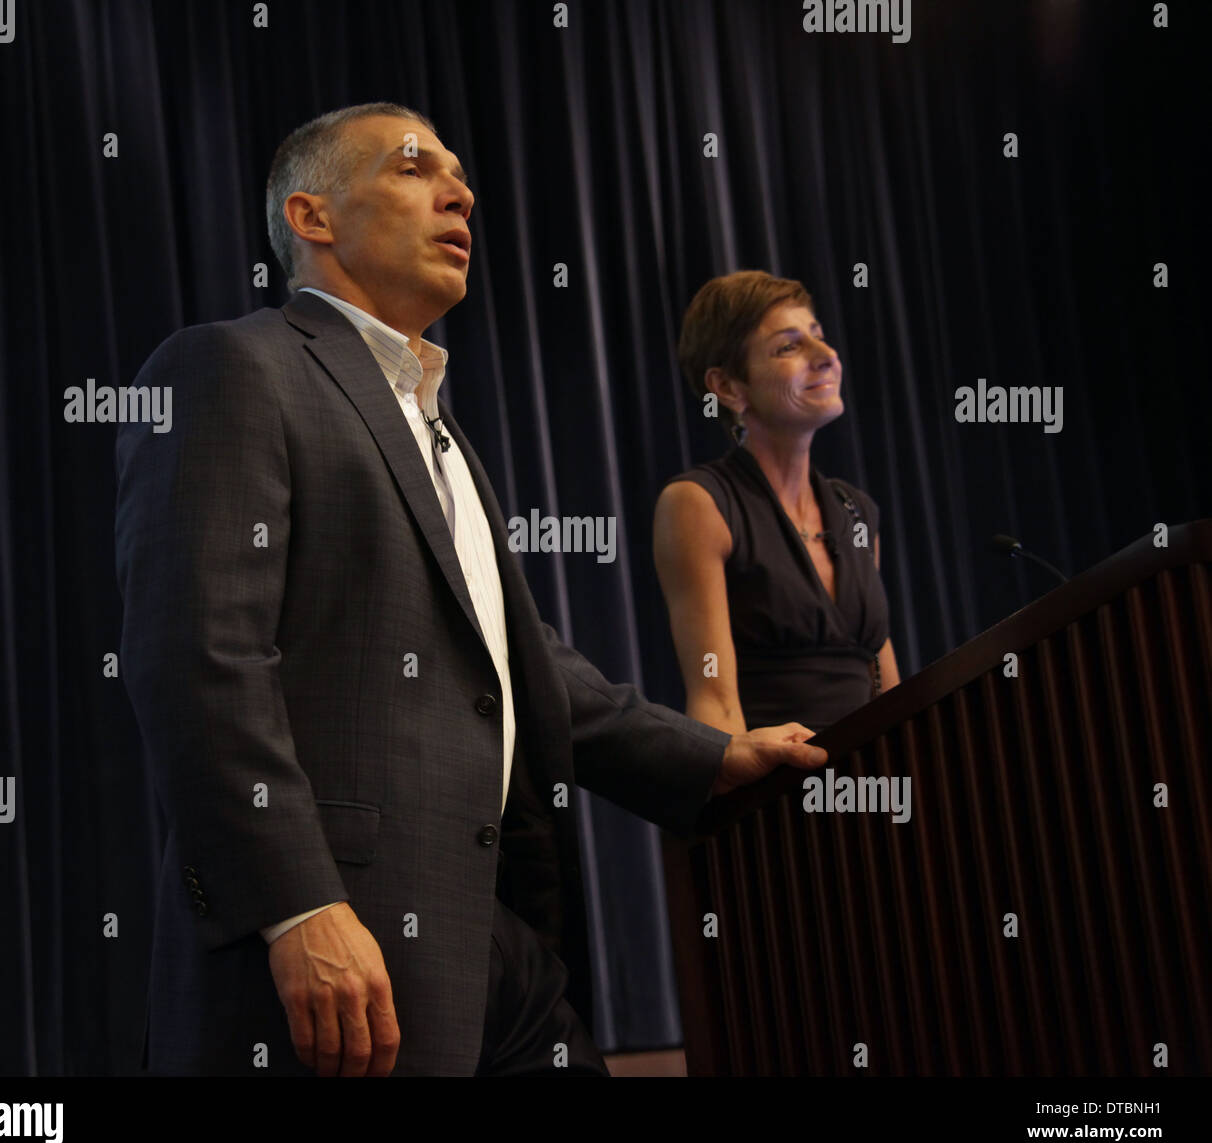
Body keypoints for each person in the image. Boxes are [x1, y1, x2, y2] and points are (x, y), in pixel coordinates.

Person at [115, 105, 828, 1077]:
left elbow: (520, 661)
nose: (460, 191)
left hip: (497, 937)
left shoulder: (439, 429)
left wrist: (707, 756)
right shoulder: (232, 367)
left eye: (458, 172)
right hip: (336, 940)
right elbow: (197, 659)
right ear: (312, 216)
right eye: (415, 169)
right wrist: (296, 902)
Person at [653, 271, 900, 739]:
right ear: (727, 387)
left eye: (820, 337)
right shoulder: (698, 503)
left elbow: (889, 693)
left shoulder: (856, 511)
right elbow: (714, 704)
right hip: (778, 791)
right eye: (789, 347)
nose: (827, 357)